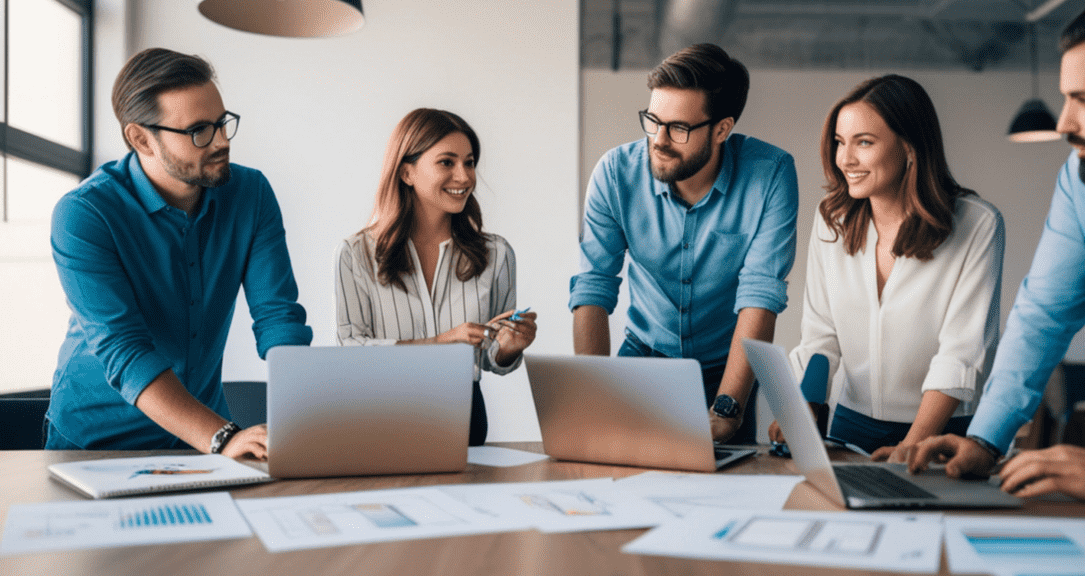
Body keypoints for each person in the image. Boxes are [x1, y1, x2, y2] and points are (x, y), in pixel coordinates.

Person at [906, 0, 1085, 503]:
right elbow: (1044, 313)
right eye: (1066, 98)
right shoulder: (1084, 182)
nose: (1064, 123)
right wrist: (984, 439)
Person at [47, 48, 312, 458]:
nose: (222, 141)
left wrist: (304, 419)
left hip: (201, 439)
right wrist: (223, 437)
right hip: (95, 442)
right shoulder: (84, 215)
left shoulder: (251, 194)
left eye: (222, 123)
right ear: (140, 139)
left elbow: (278, 316)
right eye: (199, 130)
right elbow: (126, 350)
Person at [570, 43, 799, 445]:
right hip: (643, 358)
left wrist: (728, 406)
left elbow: (760, 295)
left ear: (722, 129)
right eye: (653, 121)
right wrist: (594, 396)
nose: (658, 140)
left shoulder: (771, 175)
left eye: (678, 129)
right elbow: (593, 285)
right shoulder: (615, 174)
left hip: (727, 370)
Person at [768, 75, 1005, 461]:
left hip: (940, 433)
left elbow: (960, 355)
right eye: (840, 143)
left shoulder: (978, 225)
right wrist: (805, 411)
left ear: (910, 147)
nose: (845, 159)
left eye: (864, 142)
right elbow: (820, 337)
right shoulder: (833, 220)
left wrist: (914, 445)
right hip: (850, 427)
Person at [335, 108, 537, 446]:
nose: (465, 176)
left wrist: (508, 349)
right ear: (407, 172)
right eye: (447, 162)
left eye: (469, 162)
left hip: (464, 413)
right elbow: (351, 349)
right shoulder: (356, 254)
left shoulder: (497, 254)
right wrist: (440, 344)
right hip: (379, 415)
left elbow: (491, 359)